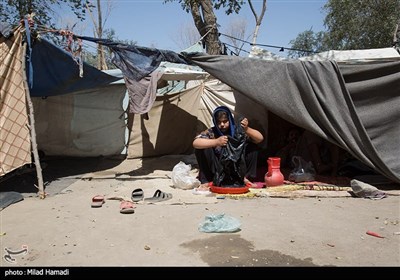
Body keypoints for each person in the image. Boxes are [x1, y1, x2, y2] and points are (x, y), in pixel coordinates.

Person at [193, 106, 264, 189]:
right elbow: (195, 143)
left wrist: (246, 129)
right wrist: (216, 142)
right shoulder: (212, 132)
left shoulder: (237, 131)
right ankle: (207, 180)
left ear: (230, 120)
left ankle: (245, 178)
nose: (222, 125)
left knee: (252, 147)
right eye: (219, 122)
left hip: (237, 167)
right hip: (217, 168)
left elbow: (259, 138)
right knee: (202, 148)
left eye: (225, 121)